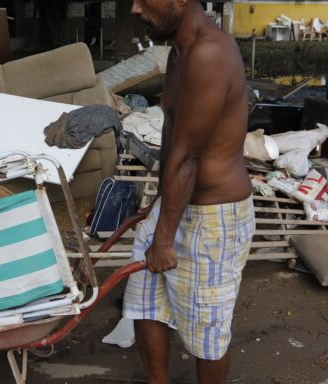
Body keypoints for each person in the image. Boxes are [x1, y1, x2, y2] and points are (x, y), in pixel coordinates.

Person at [124, 1, 255, 383]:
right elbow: (172, 136)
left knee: (206, 330)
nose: (134, 8)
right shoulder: (179, 53)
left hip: (215, 218)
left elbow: (190, 155)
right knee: (145, 300)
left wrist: (164, 238)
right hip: (177, 202)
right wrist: (159, 205)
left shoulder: (209, 53)